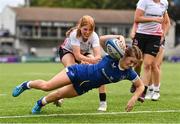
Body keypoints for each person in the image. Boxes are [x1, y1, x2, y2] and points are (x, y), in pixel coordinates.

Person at [12, 45, 144, 114]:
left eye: (135, 64)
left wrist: (133, 98)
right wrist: (119, 38)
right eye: (131, 61)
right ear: (125, 55)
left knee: (59, 94)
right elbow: (104, 39)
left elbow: (141, 86)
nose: (132, 65)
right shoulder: (113, 57)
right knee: (47, 86)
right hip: (78, 72)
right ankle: (26, 85)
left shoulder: (128, 73)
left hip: (84, 87)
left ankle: (40, 104)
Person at [55, 15, 107, 111]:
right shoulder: (74, 34)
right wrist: (89, 61)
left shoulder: (94, 36)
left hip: (83, 52)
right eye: (85, 29)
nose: (87, 32)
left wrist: (92, 63)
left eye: (90, 30)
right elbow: (78, 56)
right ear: (80, 27)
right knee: (72, 71)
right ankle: (60, 96)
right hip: (67, 51)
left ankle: (103, 103)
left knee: (100, 70)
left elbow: (98, 57)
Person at [130, 0, 169, 102]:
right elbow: (137, 18)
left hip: (155, 37)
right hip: (141, 35)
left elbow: (165, 21)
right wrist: (154, 19)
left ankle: (143, 92)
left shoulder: (164, 3)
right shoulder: (143, 1)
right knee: (136, 62)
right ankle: (136, 79)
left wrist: (162, 35)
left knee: (148, 64)